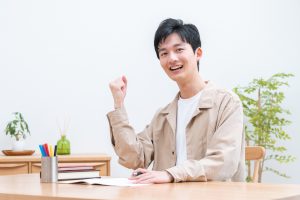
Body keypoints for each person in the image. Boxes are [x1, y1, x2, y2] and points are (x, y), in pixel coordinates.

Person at [107, 18, 245, 184]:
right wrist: (119, 105)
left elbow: (223, 163)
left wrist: (170, 174)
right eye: (164, 53)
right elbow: (134, 158)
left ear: (198, 53)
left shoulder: (227, 104)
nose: (171, 58)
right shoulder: (163, 115)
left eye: (179, 49)